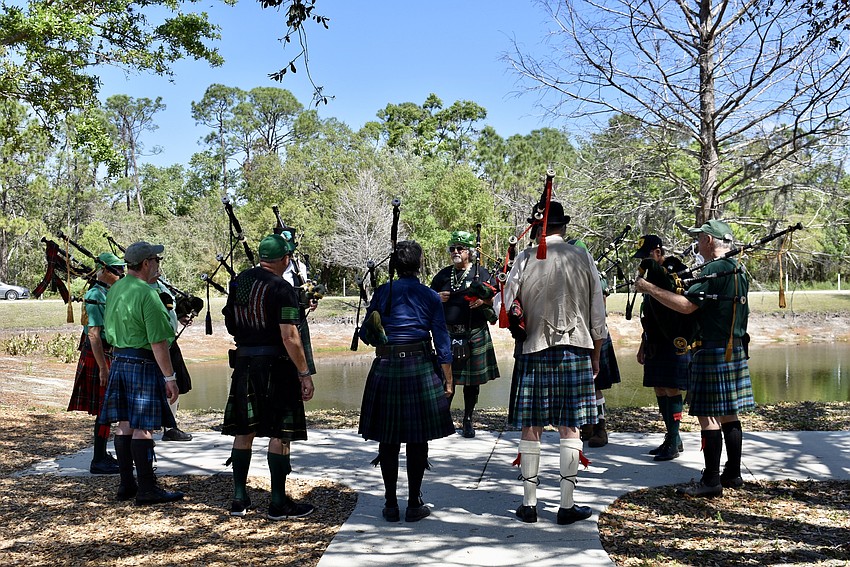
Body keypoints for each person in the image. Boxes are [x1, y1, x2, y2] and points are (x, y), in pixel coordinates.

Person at [502, 201, 607, 525]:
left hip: (534, 349)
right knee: (570, 427)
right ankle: (566, 505)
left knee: (531, 427)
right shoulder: (582, 256)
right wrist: (596, 354)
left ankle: (529, 504)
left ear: (539, 227)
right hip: (575, 349)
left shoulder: (525, 258)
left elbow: (504, 306)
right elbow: (597, 311)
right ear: (563, 226)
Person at [635, 220, 754, 497]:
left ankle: (711, 480)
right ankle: (733, 474)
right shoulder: (739, 270)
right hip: (734, 347)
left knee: (707, 416)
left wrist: (649, 288)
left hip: (712, 349)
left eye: (700, 239)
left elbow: (687, 307)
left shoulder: (713, 270)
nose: (697, 244)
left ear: (709, 241)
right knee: (729, 414)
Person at [358, 240, 456, 523]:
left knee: (388, 439)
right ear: (419, 264)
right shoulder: (430, 296)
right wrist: (448, 381)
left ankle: (390, 504)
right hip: (420, 366)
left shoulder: (382, 292)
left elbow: (367, 335)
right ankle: (414, 503)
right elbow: (441, 340)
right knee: (416, 437)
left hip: (387, 366)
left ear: (395, 266)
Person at [222, 233, 316, 520]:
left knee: (244, 430)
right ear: (285, 259)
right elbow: (289, 336)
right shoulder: (283, 288)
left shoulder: (238, 282)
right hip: (277, 366)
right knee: (279, 433)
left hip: (245, 362)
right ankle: (277, 503)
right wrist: (304, 372)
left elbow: (230, 321)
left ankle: (239, 499)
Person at [98, 241, 184, 505]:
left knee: (124, 425)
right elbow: (158, 342)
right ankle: (147, 489)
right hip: (142, 363)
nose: (158, 265)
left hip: (120, 360)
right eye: (157, 260)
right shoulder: (147, 293)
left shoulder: (116, 288)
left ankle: (127, 485)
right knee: (143, 428)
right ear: (146, 263)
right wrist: (170, 377)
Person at [430, 230, 500, 438]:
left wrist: (484, 302)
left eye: (459, 248)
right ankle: (443, 418)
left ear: (469, 251)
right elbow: (427, 297)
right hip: (448, 334)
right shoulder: (443, 275)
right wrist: (436, 297)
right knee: (445, 379)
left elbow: (496, 299)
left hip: (474, 332)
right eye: (452, 248)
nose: (455, 252)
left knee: (471, 383)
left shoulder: (482, 273)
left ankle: (468, 419)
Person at [633, 235, 696, 462]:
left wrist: (649, 286)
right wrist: (643, 342)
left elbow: (686, 305)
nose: (644, 262)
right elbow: (649, 313)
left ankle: (674, 437)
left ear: (658, 252)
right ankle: (672, 436)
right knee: (659, 388)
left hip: (676, 340)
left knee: (672, 388)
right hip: (654, 340)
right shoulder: (650, 274)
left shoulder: (678, 270)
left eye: (647, 256)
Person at [68, 252, 125, 475]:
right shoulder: (94, 294)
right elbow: (93, 334)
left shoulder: (107, 292)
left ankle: (102, 453)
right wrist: (103, 366)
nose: (121, 273)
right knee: (104, 408)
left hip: (107, 351)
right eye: (117, 270)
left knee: (106, 408)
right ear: (104, 271)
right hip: (98, 353)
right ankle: (98, 458)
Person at [570, 239, 621, 449]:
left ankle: (600, 427)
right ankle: (586, 425)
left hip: (594, 334)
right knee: (581, 386)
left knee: (595, 385)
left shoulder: (594, 276)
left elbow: (600, 309)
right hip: (576, 334)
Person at [148, 279, 194, 442]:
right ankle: (147, 428)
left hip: (170, 341)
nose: (157, 265)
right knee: (154, 387)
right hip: (153, 344)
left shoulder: (162, 284)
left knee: (177, 382)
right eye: (154, 260)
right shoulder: (142, 288)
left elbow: (169, 308)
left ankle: (171, 427)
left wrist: (180, 316)